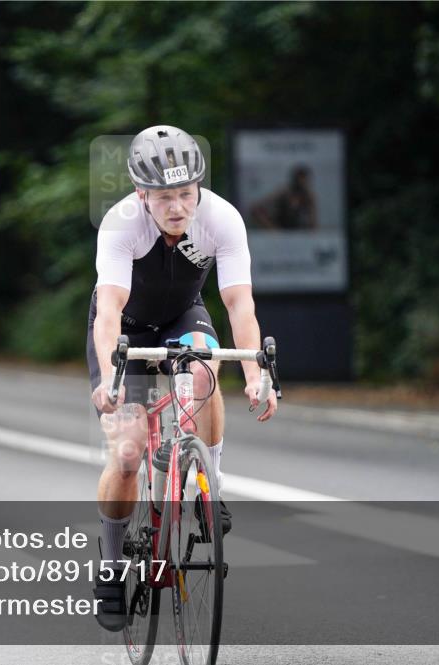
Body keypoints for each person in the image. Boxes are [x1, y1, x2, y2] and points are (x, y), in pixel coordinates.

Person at [88, 125, 278, 630]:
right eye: (165, 197)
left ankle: (208, 484)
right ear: (142, 195)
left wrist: (256, 371)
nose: (178, 207)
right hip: (125, 328)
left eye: (186, 194)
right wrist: (110, 374)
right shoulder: (120, 224)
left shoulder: (222, 219)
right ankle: (110, 565)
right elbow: (109, 308)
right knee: (127, 452)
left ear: (199, 187)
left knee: (204, 368)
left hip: (182, 316)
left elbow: (239, 303)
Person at [250, 164, 318, 230]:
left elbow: (313, 222)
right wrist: (272, 229)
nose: (301, 184)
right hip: (281, 230)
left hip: (297, 233)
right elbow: (256, 209)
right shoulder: (283, 193)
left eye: (304, 182)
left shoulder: (308, 197)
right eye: (299, 182)